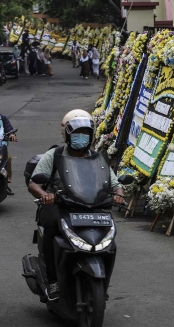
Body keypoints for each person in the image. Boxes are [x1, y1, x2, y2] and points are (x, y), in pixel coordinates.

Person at [27, 109, 126, 301]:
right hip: (60, 204)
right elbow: (33, 183)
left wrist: (119, 195)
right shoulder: (53, 155)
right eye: (77, 134)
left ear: (91, 136)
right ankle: (53, 280)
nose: (81, 138)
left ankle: (102, 282)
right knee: (50, 225)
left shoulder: (97, 158)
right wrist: (45, 195)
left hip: (91, 206)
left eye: (85, 134)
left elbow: (115, 184)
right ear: (67, 134)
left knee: (109, 236)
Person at [0, 113, 17, 195]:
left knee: (8, 160)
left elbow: (9, 129)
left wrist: (11, 134)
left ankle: (5, 183)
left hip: (1, 148)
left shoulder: (2, 118)